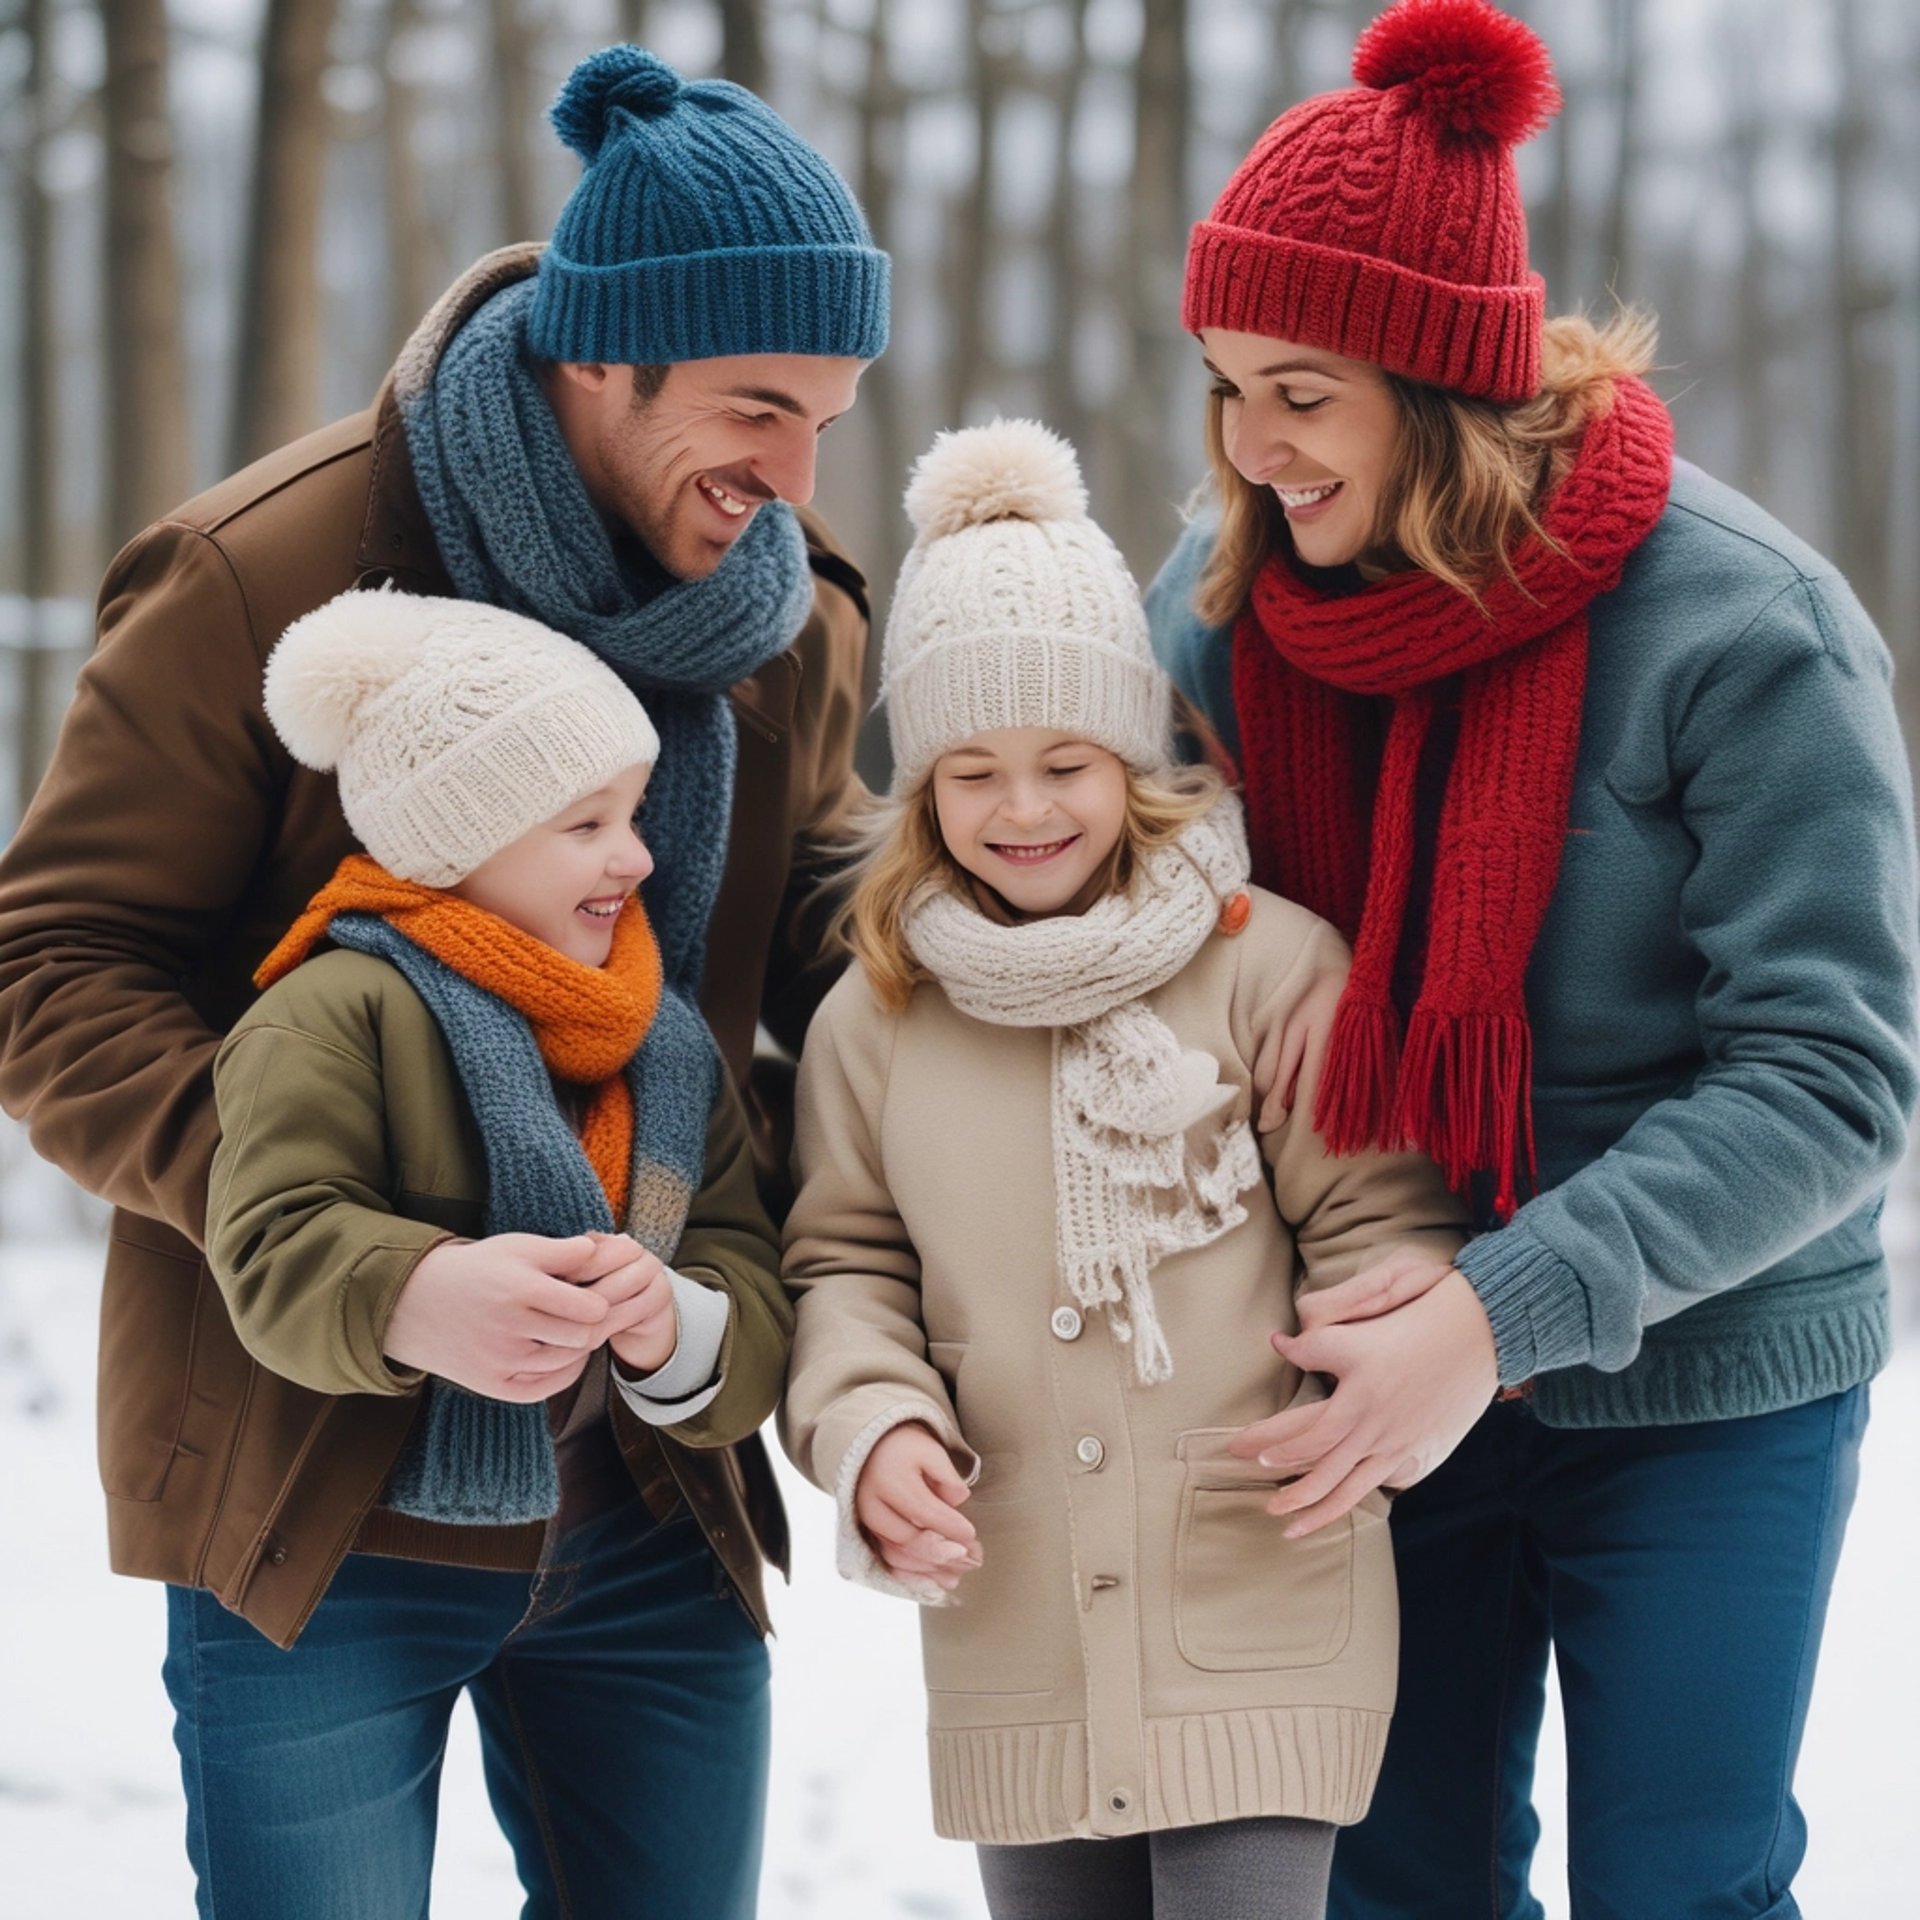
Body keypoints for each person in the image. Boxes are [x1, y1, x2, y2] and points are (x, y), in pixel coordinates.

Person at [0, 40, 886, 1920]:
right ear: (600, 360)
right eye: (754, 407)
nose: (795, 478)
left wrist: (1025, 914)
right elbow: (49, 963)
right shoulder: (269, 577)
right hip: (309, 1472)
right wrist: (358, 1231)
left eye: (829, 414)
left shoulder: (781, 619)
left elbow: (823, 905)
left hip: (657, 1480)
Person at [1146, 2, 1919, 1915]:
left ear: (1439, 376)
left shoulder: (1749, 633)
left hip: (1707, 1366)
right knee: (1396, 1882)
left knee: (1682, 1882)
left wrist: (1498, 1313)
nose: (1253, 448)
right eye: (1225, 386)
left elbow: (1834, 1074)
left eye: (1303, 392)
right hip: (1355, 1333)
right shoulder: (1218, 617)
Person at [780, 419, 1467, 1920]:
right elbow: (844, 1267)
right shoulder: (877, 1016)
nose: (1023, 812)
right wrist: (872, 1425)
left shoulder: (1268, 968)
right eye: (973, 773)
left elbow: (1375, 1222)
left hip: (1263, 1585)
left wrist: (1370, 1390)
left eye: (1064, 763)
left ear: (1131, 758)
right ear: (922, 789)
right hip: (1014, 1614)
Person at [194, 588, 790, 1912]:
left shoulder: (662, 1034)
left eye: (633, 815)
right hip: (353, 1550)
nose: (636, 857)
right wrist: (415, 1290)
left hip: (639, 1550)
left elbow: (747, 1271)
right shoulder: (332, 1012)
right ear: (457, 840)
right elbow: (272, 1240)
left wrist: (672, 1323)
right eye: (585, 825)